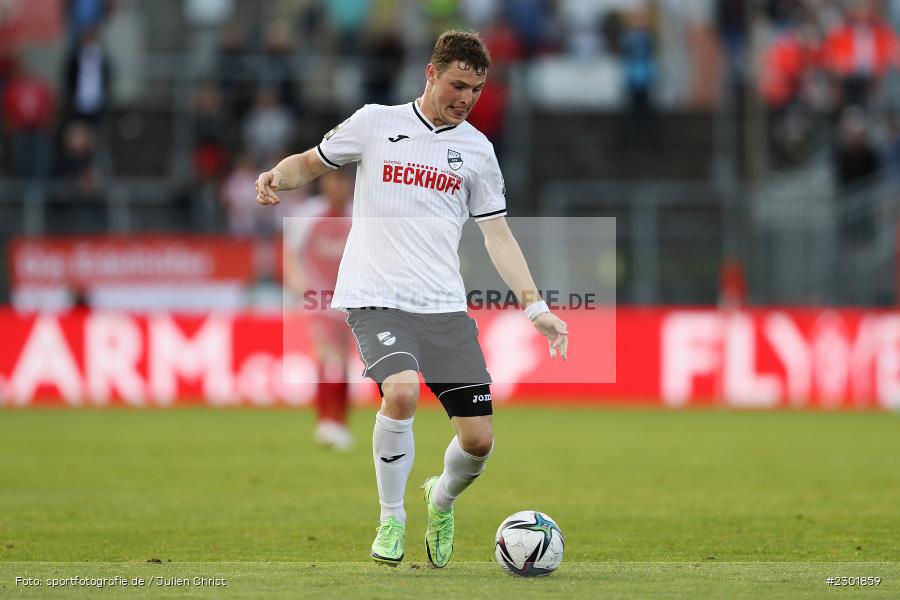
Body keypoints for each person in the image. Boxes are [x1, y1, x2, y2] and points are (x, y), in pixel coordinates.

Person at [256, 30, 568, 568]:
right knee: (399, 393)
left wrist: (536, 306)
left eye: (475, 89)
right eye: (457, 85)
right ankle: (391, 518)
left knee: (478, 442)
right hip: (376, 296)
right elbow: (310, 162)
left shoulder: (476, 150)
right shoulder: (376, 122)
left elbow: (497, 235)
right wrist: (276, 177)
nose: (466, 98)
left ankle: (440, 499)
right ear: (431, 73)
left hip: (443, 305)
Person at [283, 169, 355, 450]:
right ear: (324, 183)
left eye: (342, 180)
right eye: (332, 180)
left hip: (351, 301)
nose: (337, 186)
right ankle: (325, 421)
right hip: (319, 300)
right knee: (327, 357)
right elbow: (291, 253)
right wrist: (298, 282)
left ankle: (340, 421)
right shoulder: (307, 215)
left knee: (346, 363)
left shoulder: (360, 215)